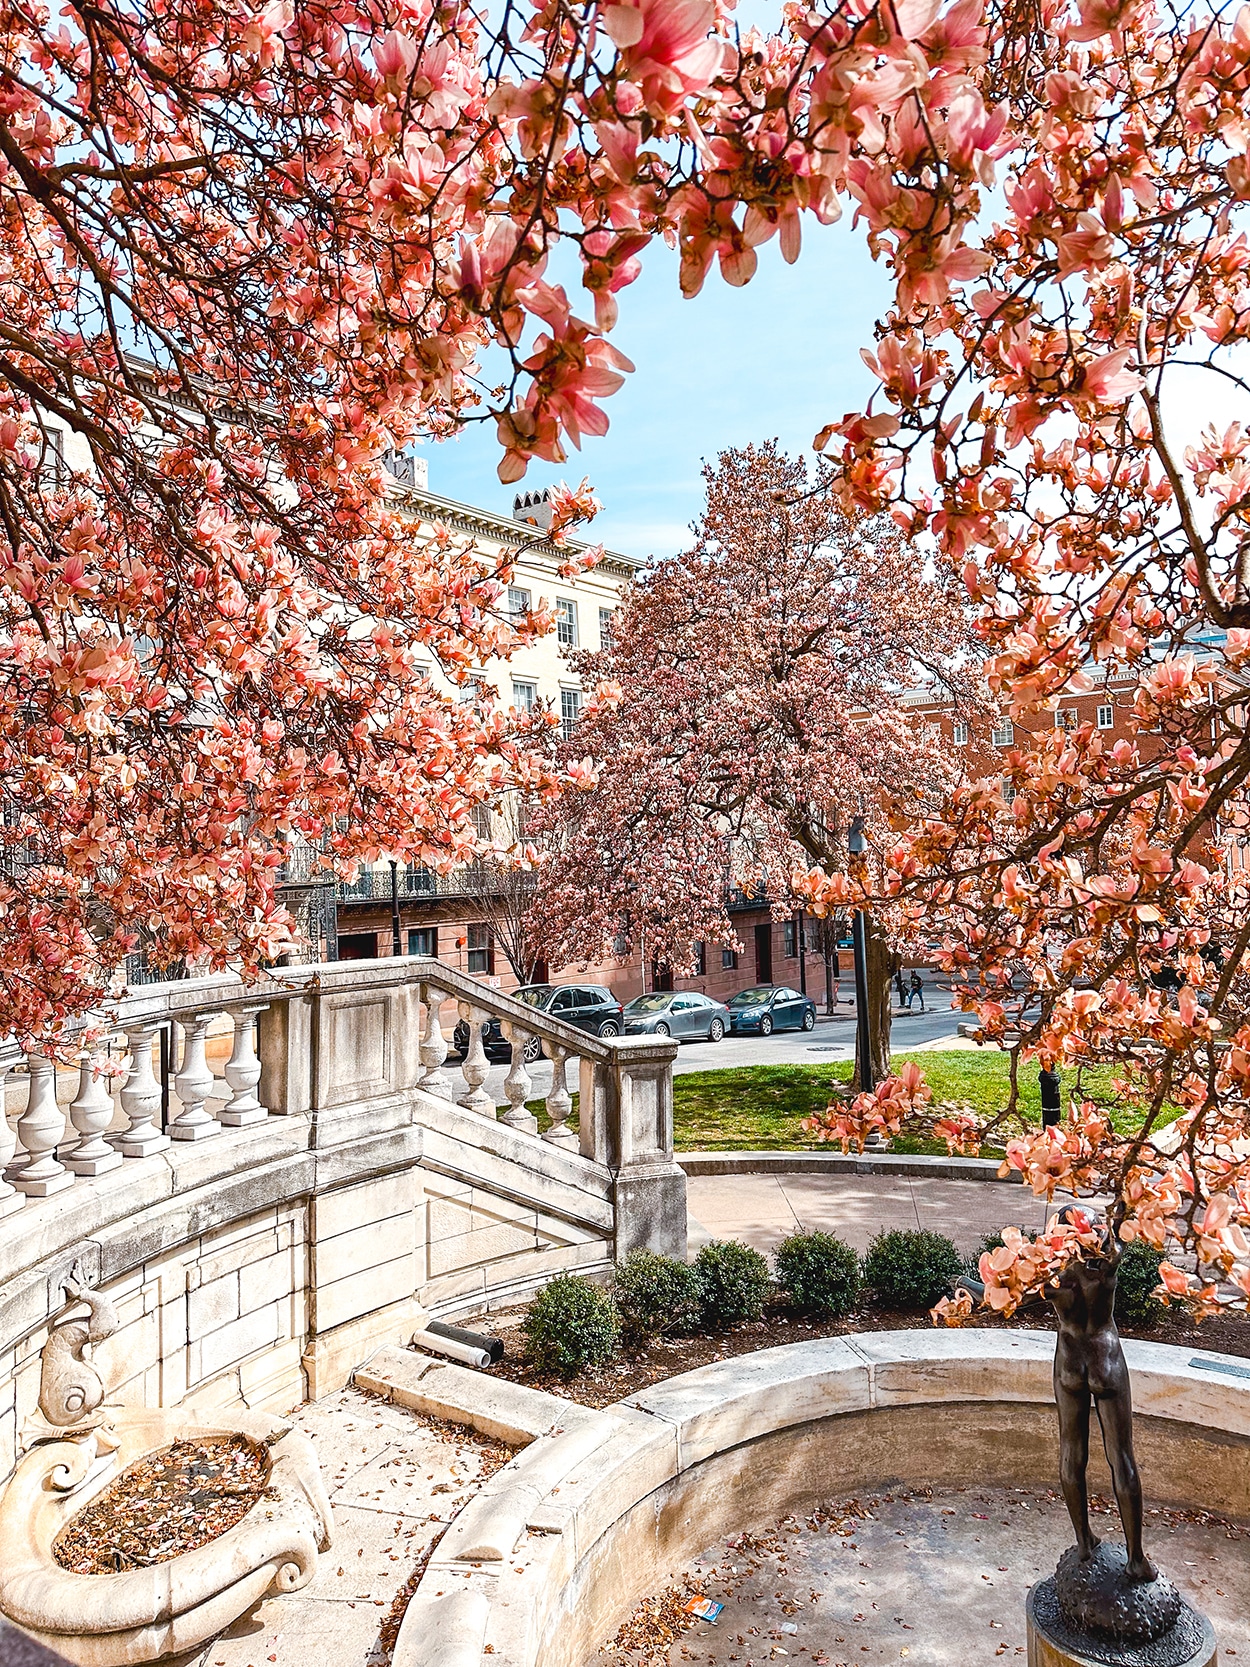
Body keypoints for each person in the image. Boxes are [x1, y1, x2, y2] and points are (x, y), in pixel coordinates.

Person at [1047, 1209, 1156, 1584]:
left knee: (1071, 1452)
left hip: (1069, 1362)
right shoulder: (1109, 1262)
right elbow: (1126, 1212)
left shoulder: (1054, 1277)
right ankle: (1136, 1558)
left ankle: (1084, 1541)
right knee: (1121, 1456)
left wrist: (968, 1283)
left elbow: (1005, 1294)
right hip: (1105, 1359)